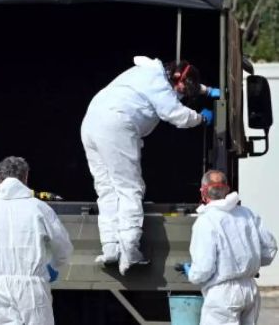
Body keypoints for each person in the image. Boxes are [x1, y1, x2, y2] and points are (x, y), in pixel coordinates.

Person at [81, 56, 218, 274]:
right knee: (129, 188)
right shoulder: (160, 85)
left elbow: (183, 82)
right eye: (183, 92)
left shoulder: (148, 72)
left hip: (90, 124)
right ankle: (130, 252)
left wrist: (206, 90)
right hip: (116, 124)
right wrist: (200, 119)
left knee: (106, 189)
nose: (182, 96)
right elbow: (176, 114)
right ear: (176, 80)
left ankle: (111, 249)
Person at [0, 156, 73, 325]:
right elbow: (63, 244)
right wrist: (55, 264)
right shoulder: (39, 207)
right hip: (33, 289)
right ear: (26, 177)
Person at [178, 170, 277, 325]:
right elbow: (270, 249)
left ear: (204, 191)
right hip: (250, 289)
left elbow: (203, 269)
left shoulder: (206, 221)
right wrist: (247, 265)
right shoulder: (246, 214)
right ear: (227, 189)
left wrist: (192, 273)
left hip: (223, 295)